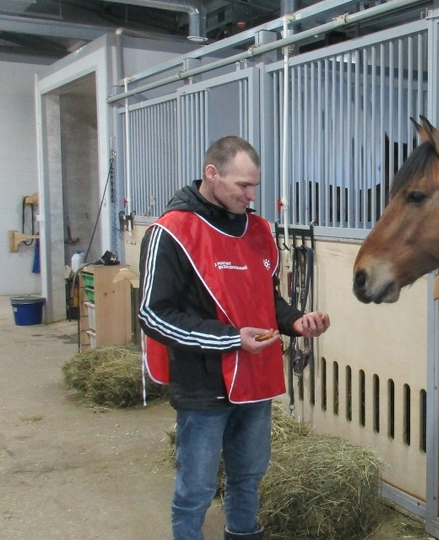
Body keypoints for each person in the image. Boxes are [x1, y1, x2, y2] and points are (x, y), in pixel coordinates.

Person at [138, 136, 331, 540]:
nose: (250, 194)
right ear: (212, 174)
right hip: (204, 386)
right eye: (242, 185)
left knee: (248, 477)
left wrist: (296, 322)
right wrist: (229, 339)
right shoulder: (171, 232)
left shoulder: (258, 231)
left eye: (254, 185)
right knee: (197, 488)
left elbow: (265, 298)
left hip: (255, 381)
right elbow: (154, 314)